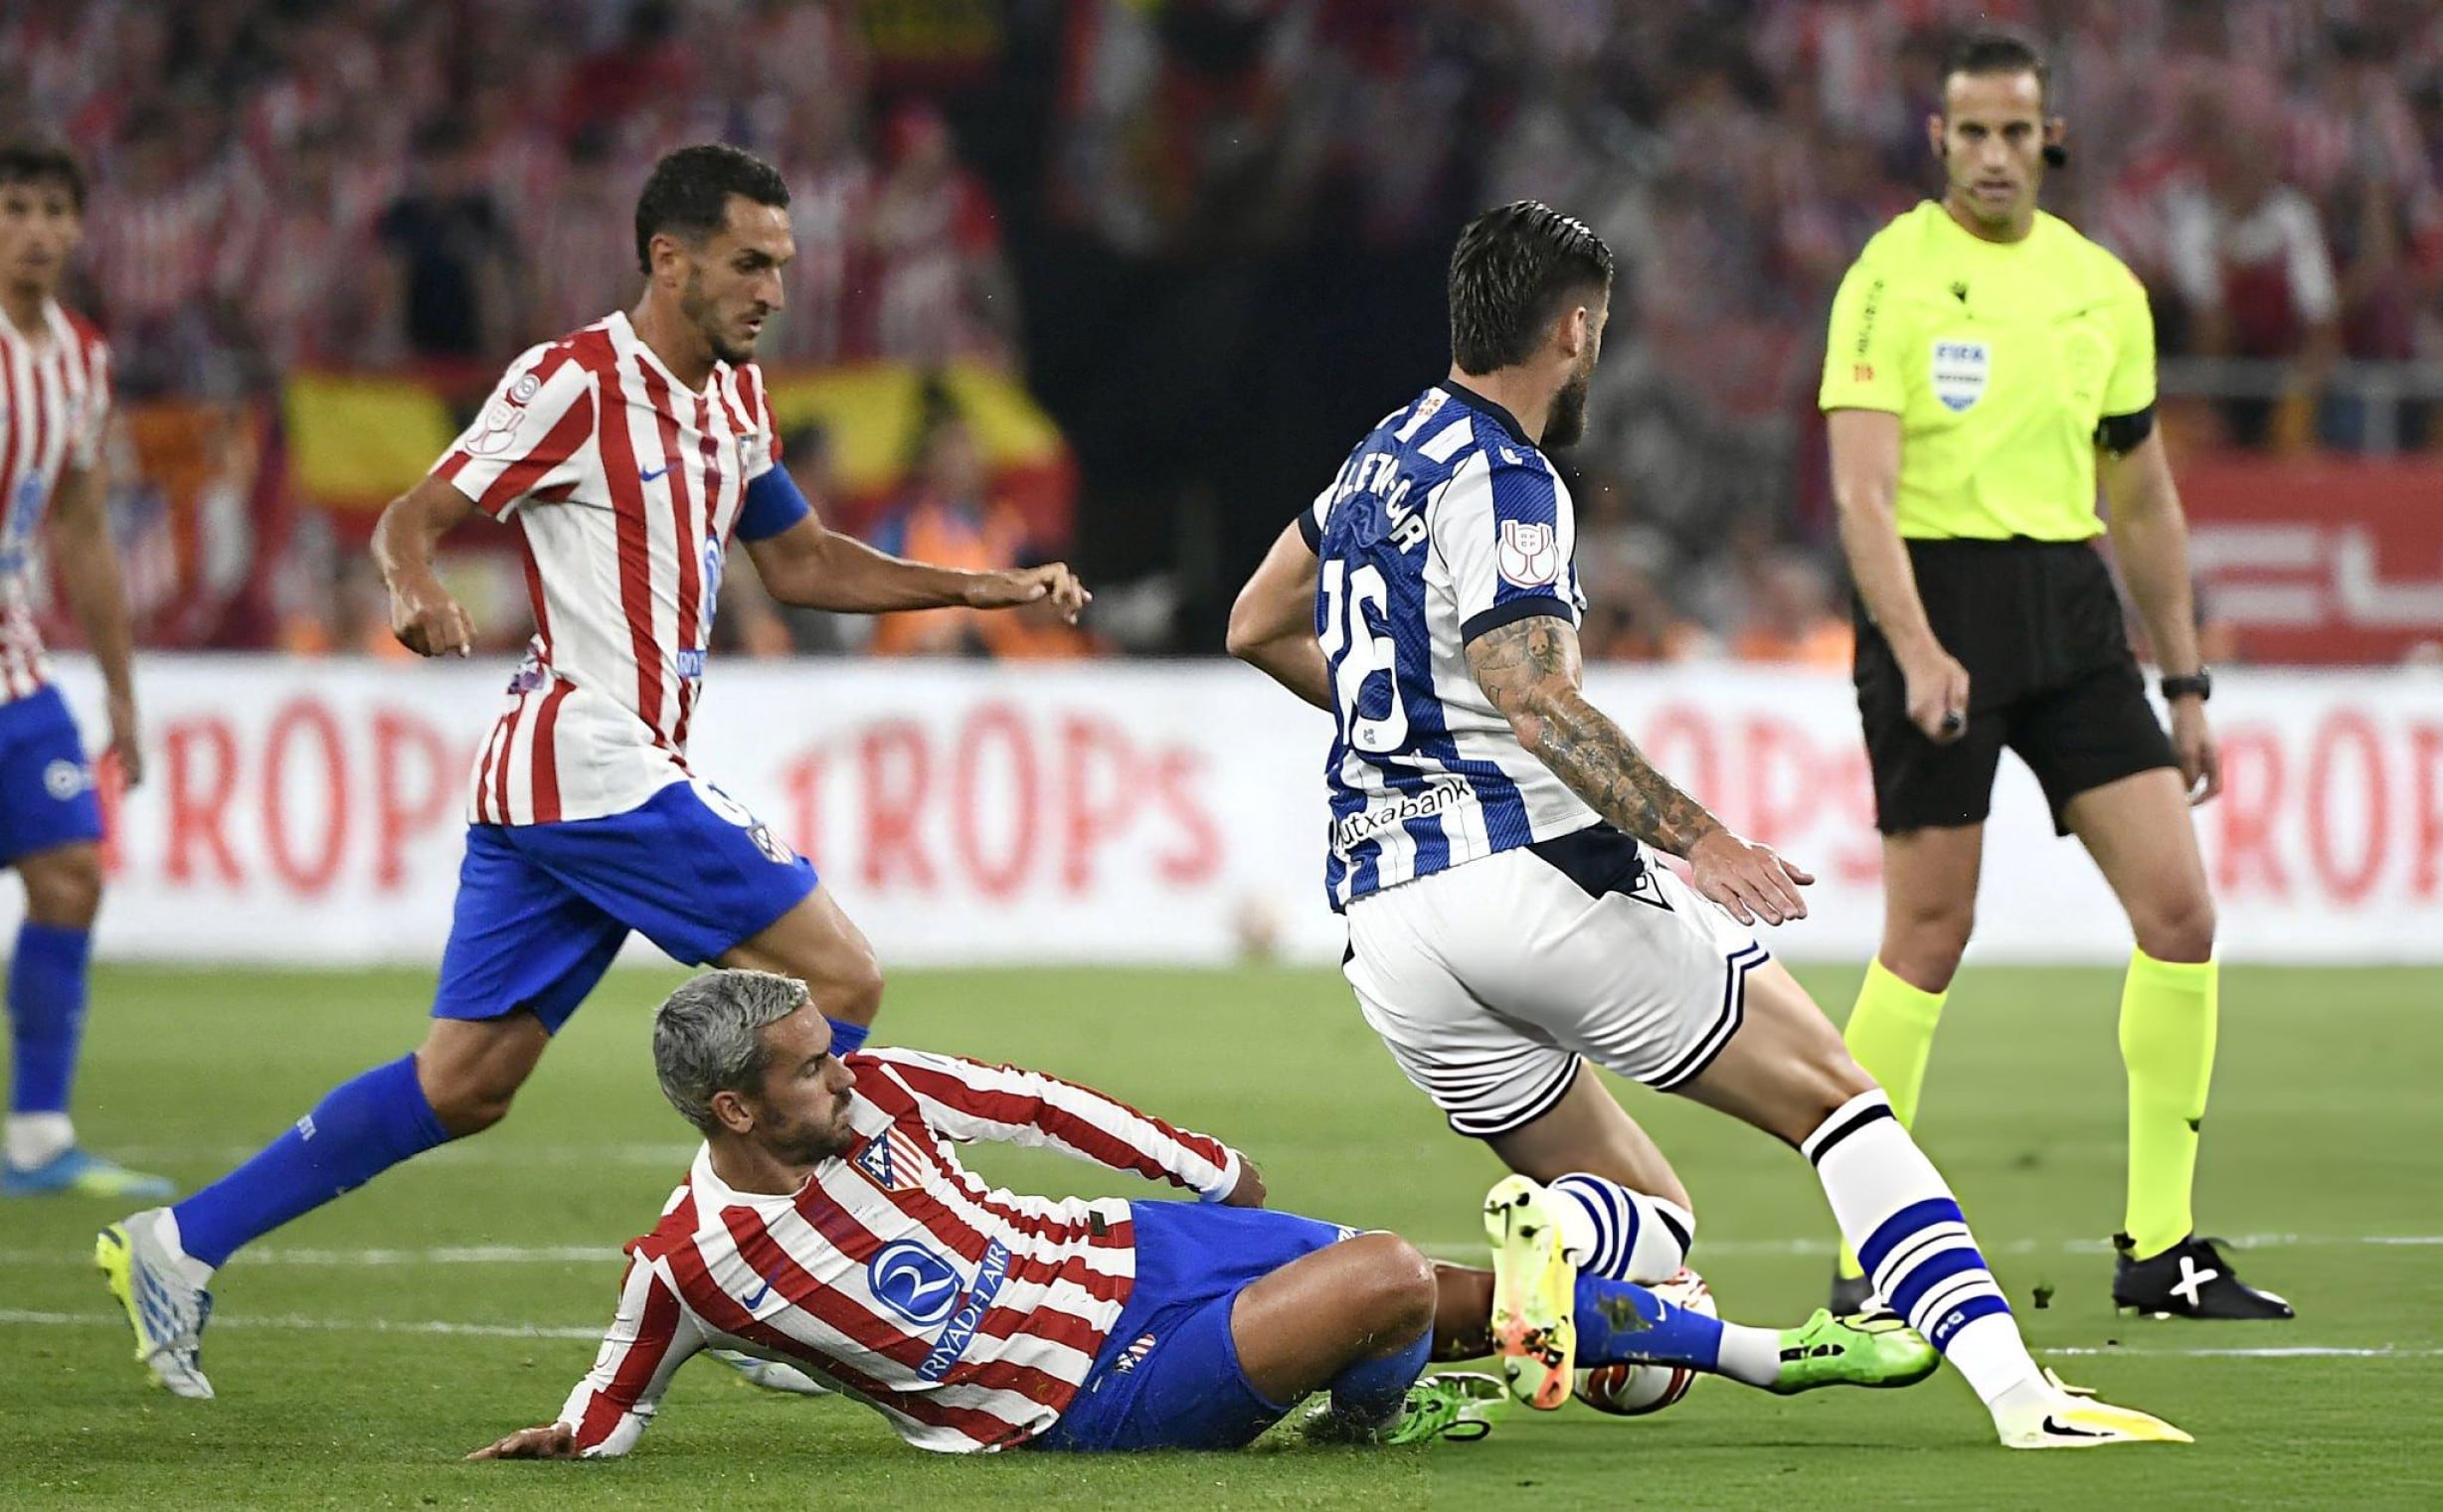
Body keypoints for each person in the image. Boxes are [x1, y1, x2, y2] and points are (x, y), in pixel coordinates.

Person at [95, 143, 1090, 1400]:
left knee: (465, 1086)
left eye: (782, 264)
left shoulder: (738, 398)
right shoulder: (571, 381)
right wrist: (411, 588)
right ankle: (757, 1267)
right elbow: (417, 514)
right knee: (837, 977)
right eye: (748, 263)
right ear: (668, 259)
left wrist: (979, 583)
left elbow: (804, 563)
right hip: (589, 756)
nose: (772, 289)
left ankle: (178, 1243)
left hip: (566, 789)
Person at [1227, 199, 2185, 1447]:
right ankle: (2025, 1397)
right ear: (1573, 329)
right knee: (1839, 1103)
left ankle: (1560, 1239)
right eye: (1602, 330)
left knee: (1651, 1236)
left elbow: (1255, 622)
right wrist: (1699, 839)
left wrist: (1398, 727)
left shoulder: (1376, 458)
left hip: (1388, 929)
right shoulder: (1510, 475)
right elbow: (1532, 695)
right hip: (1527, 878)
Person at [469, 969, 1937, 1461]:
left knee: (1428, 1279)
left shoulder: (875, 1089)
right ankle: (1747, 1357)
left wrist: (1201, 1165)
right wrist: (566, 1443)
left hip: (1126, 1250)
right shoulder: (694, 1265)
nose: (841, 1075)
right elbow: (611, 1404)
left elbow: (1033, 1103)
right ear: (732, 1110)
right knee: (1379, 1278)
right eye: (804, 1069)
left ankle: (1737, 1345)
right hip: (1087, 1393)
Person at [1818, 34, 2290, 1321]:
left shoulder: (2099, 289)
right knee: (1928, 934)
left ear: (2049, 138)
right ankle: (1867, 1257)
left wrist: (2185, 681)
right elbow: (1860, 491)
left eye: (2014, 133)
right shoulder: (1889, 280)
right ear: (1938, 138)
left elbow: (2140, 498)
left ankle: (2163, 1247)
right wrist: (1915, 646)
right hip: (1938, 599)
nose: (1991, 155)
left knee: (2180, 913)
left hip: (2071, 613)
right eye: (1970, 132)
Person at [0, 141, 163, 1200]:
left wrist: (118, 688)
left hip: (16, 663)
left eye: (57, 208)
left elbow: (85, 532)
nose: (40, 229)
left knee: (72, 873)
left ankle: (36, 1139)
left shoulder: (80, 361)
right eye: (16, 208)